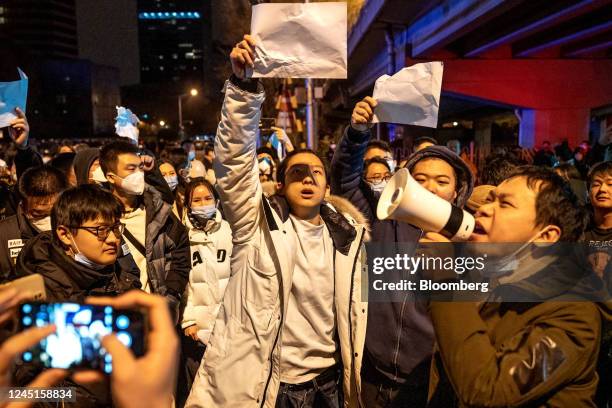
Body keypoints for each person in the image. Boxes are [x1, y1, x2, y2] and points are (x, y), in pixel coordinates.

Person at [186, 35, 368, 408]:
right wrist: (242, 87)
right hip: (273, 386)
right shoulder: (254, 224)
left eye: (315, 172)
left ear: (327, 185)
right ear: (280, 185)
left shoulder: (350, 239)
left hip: (331, 385)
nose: (307, 178)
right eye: (297, 172)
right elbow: (235, 161)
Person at [426, 166, 612, 407]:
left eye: (504, 205)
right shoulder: (492, 281)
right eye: (490, 199)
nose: (483, 209)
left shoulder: (575, 318)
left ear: (546, 237)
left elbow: (487, 391)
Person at [332, 96, 474, 408]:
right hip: (373, 375)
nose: (431, 187)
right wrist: (357, 133)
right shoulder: (382, 221)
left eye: (441, 181)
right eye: (420, 179)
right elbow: (345, 181)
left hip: (429, 386)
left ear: (457, 190)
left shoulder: (470, 244)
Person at [14, 184, 140, 407]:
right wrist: (73, 401)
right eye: (100, 230)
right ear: (64, 234)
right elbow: (17, 385)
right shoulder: (36, 294)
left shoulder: (123, 277)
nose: (113, 239)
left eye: (116, 228)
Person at [99, 140, 190, 321]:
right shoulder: (97, 217)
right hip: (120, 316)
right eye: (130, 169)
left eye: (140, 168)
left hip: (159, 314)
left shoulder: (158, 211)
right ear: (110, 177)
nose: (138, 174)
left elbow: (180, 255)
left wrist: (171, 296)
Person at [177, 178, 232, 407]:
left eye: (208, 198)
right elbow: (182, 282)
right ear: (188, 205)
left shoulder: (229, 231)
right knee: (200, 392)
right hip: (197, 330)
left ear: (217, 201)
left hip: (229, 324)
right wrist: (188, 319)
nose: (203, 204)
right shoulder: (182, 236)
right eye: (196, 200)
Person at [0, 165, 68, 282]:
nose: (49, 220)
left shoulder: (77, 227)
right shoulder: (3, 233)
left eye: (55, 213)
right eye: (38, 213)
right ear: (23, 204)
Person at [583, 161, 612, 408]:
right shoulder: (577, 230)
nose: (602, 189)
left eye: (611, 184)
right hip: (583, 327)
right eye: (596, 184)